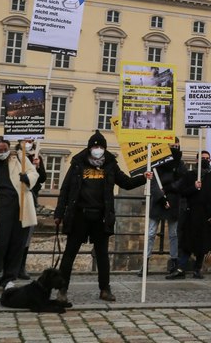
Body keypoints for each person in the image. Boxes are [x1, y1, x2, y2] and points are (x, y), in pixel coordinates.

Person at [54, 130, 151, 304]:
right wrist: (59, 213)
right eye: (95, 146)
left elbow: (126, 183)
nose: (97, 149)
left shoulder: (110, 164)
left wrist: (143, 178)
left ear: (104, 148)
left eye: (100, 146)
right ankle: (62, 289)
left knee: (102, 255)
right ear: (90, 147)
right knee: (69, 254)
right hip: (79, 215)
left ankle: (105, 289)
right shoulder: (78, 163)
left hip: (101, 216)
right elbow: (65, 189)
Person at [0, 136, 40, 291]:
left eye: (5, 149)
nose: (3, 152)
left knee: (16, 245)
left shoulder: (18, 158)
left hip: (20, 208)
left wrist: (27, 178)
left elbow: (34, 173)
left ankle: (9, 278)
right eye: (0, 150)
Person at [177, 150, 211, 278]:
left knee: (202, 244)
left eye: (207, 158)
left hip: (206, 214)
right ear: (197, 160)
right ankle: (181, 268)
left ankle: (197, 269)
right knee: (187, 243)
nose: (205, 160)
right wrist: (194, 188)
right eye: (202, 158)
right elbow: (182, 192)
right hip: (191, 213)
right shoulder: (190, 175)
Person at [15, 139, 46, 280]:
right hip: (14, 198)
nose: (29, 142)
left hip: (31, 200)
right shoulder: (14, 155)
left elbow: (43, 178)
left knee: (26, 236)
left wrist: (37, 167)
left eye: (31, 140)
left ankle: (21, 267)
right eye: (26, 140)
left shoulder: (36, 156)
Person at [159, 140, 189, 279]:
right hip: (161, 199)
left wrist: (169, 187)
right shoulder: (161, 162)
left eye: (177, 146)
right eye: (173, 146)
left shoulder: (181, 164)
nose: (175, 148)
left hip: (176, 202)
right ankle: (145, 263)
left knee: (174, 233)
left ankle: (175, 262)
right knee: (151, 232)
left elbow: (182, 181)